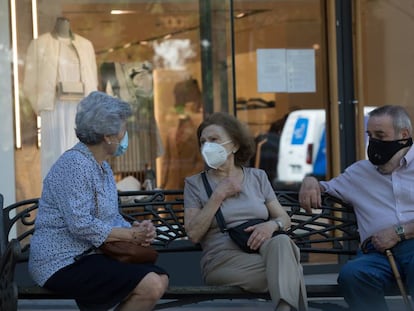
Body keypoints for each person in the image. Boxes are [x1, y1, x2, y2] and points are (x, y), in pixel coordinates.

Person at [28, 91, 168, 311]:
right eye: (123, 128)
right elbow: (80, 224)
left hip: (91, 256)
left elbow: (109, 217)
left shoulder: (101, 166)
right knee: (151, 284)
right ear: (107, 136)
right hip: (62, 262)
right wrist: (129, 235)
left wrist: (136, 229)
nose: (126, 134)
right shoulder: (75, 164)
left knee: (160, 279)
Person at [184, 112, 308, 311]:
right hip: (222, 260)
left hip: (263, 251)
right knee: (291, 270)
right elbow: (193, 234)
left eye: (214, 139)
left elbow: (283, 218)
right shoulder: (195, 184)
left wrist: (270, 225)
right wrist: (218, 195)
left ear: (234, 145)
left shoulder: (257, 177)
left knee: (282, 241)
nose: (207, 145)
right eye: (203, 141)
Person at [298, 105, 414, 311]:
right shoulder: (359, 173)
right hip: (378, 254)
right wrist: (309, 181)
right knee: (353, 275)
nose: (374, 142)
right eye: (370, 135)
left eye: (381, 135)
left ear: (403, 135)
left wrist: (399, 232)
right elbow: (324, 188)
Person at [23, 17, 98, 180]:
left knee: (81, 156)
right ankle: (55, 201)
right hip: (53, 110)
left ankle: (80, 199)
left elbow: (93, 77)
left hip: (81, 110)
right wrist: (40, 105)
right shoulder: (39, 44)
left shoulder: (86, 45)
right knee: (54, 158)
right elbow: (29, 83)